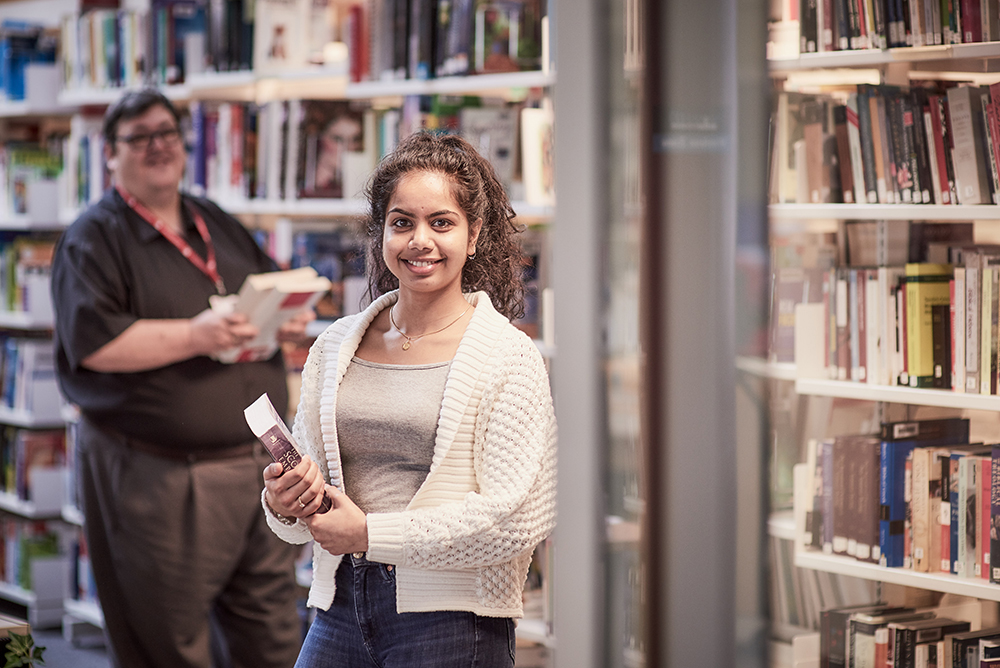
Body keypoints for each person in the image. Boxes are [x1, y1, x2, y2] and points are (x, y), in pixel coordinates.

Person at [261, 131, 557, 668]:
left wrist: (372, 534)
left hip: (451, 621)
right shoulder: (335, 345)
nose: (420, 240)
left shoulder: (509, 356)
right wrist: (285, 502)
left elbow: (513, 522)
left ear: (473, 236)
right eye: (402, 223)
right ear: (381, 236)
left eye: (441, 222)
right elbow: (303, 505)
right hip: (340, 604)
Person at [51, 88, 310, 668]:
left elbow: (268, 286)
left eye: (167, 133)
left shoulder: (213, 218)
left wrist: (289, 319)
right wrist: (194, 335)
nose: (157, 147)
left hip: (261, 463)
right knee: (167, 642)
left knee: (271, 632)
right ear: (110, 154)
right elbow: (93, 345)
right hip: (160, 476)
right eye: (139, 137)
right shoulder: (93, 238)